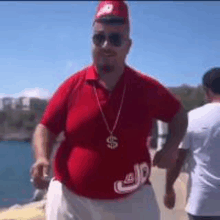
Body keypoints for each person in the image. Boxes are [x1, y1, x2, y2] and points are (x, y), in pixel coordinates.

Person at [30, 1, 188, 219]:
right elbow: (46, 126)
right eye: (99, 38)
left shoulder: (147, 88)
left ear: (128, 45)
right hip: (71, 202)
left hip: (131, 201)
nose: (106, 45)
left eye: (115, 39)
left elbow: (178, 115)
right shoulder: (72, 86)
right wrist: (42, 158)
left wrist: (171, 147)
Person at [164, 67, 220, 220]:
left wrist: (168, 189)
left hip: (203, 204)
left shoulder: (192, 118)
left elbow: (177, 159)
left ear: (207, 91)